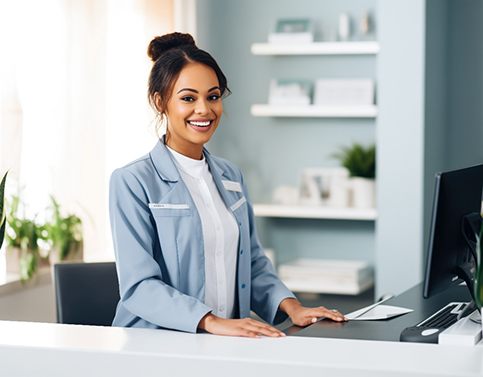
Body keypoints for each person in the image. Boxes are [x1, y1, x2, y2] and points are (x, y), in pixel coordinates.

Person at [109, 32, 346, 337]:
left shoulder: (230, 176)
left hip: (223, 343)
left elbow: (254, 263)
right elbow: (139, 286)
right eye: (188, 98)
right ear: (160, 102)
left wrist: (292, 306)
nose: (204, 110)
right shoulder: (132, 181)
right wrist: (210, 321)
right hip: (156, 342)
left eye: (213, 96)